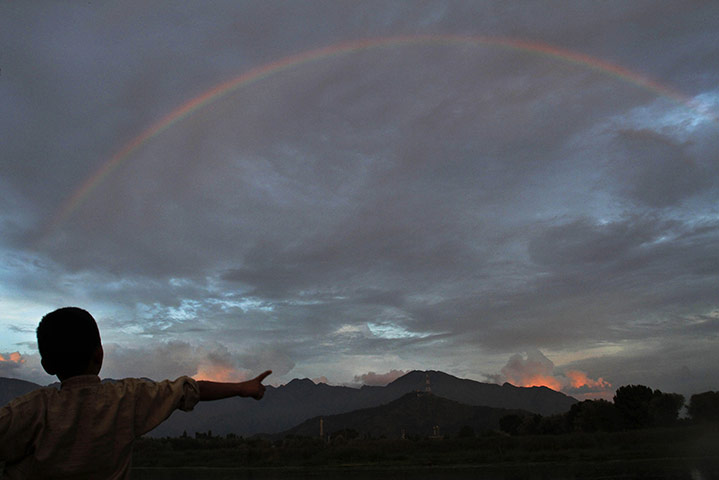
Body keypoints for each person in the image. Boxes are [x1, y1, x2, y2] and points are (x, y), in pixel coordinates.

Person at [0, 307, 271, 479]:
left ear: (47, 365)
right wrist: (242, 388)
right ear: (100, 354)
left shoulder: (28, 410)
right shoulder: (125, 399)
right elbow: (189, 391)